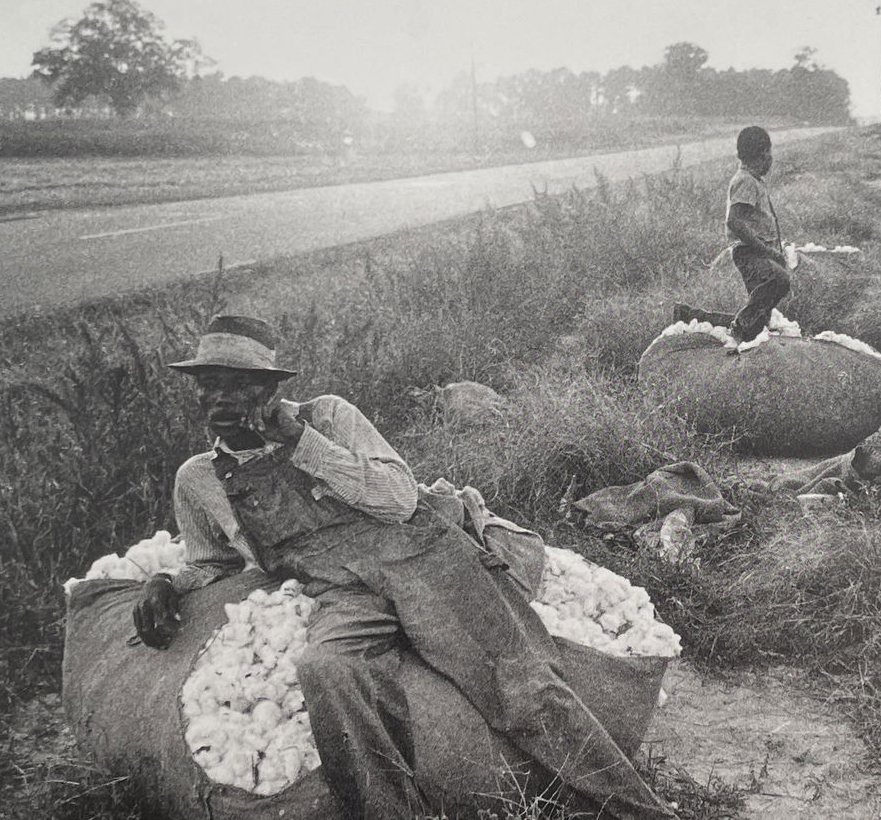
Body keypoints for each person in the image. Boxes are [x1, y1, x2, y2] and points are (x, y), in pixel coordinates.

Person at [132, 314, 673, 819]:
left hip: (419, 557)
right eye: (209, 384)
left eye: (239, 384)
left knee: (521, 687)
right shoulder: (199, 478)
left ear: (270, 389)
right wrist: (167, 581)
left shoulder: (328, 418)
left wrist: (302, 442)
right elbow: (212, 563)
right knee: (327, 669)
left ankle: (637, 809)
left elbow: (398, 499)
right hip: (341, 591)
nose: (221, 399)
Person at [672, 125, 792, 350]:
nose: (771, 159)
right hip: (749, 252)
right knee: (779, 280)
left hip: (757, 252)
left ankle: (691, 317)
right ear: (763, 154)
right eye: (769, 153)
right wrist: (766, 251)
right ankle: (738, 327)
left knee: (758, 322)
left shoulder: (753, 181)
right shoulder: (745, 181)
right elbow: (734, 221)